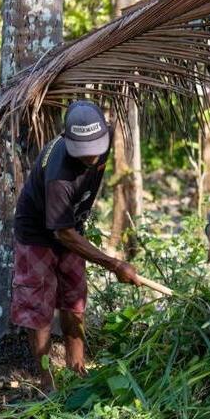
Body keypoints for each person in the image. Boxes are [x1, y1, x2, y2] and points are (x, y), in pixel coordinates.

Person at [12, 100, 141, 391]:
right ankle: (47, 384)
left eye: (96, 149)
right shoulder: (59, 176)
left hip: (71, 226)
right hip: (38, 234)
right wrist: (114, 264)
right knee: (39, 309)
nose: (92, 157)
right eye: (84, 152)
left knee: (74, 302)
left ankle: (77, 373)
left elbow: (69, 231)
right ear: (69, 141)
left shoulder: (105, 140)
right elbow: (63, 234)